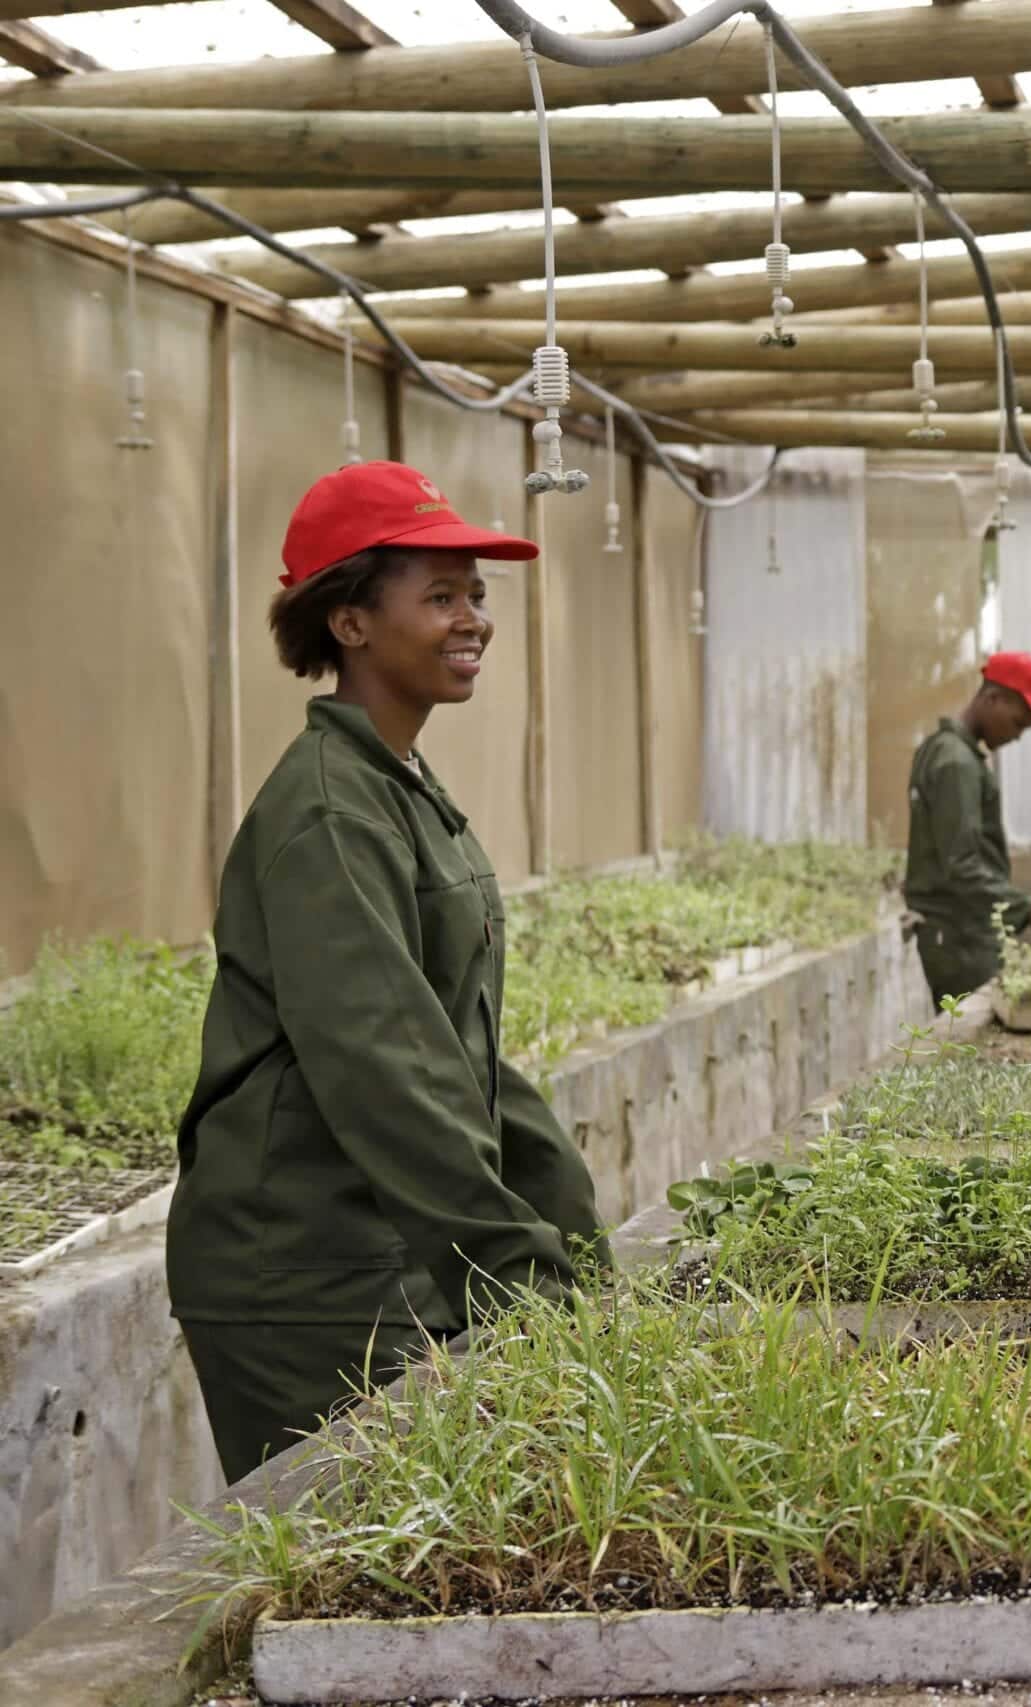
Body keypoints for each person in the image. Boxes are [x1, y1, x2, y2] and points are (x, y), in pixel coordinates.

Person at [170, 461, 611, 1486]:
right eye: (440, 595)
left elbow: (460, 1048)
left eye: (477, 595)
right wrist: (512, 1260)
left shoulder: (397, 789)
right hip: (302, 1270)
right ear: (351, 622)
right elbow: (383, 1064)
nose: (473, 620)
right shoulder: (331, 809)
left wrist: (566, 1232)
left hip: (374, 1243)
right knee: (346, 1571)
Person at [904, 651, 1031, 1005]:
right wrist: (1025, 907)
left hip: (958, 932)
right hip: (961, 936)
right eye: (1018, 723)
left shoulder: (943, 751)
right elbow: (960, 864)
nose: (1017, 736)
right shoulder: (956, 765)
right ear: (992, 698)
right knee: (979, 1046)